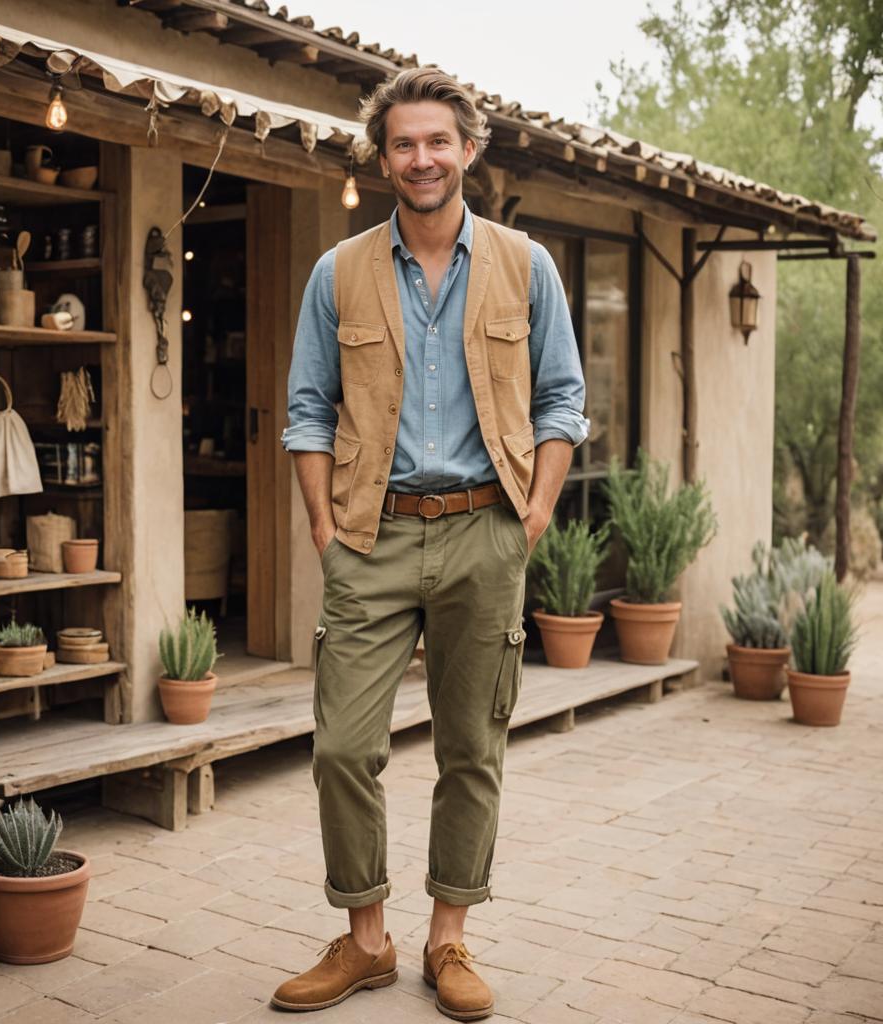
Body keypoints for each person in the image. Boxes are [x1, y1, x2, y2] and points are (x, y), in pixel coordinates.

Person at [274, 66, 588, 1020]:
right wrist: (327, 529)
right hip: (370, 539)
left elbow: (561, 402)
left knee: (471, 748)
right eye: (405, 143)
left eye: (437, 141)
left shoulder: (527, 266)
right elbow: (307, 411)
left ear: (468, 149)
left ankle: (449, 940)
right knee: (342, 748)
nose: (422, 158)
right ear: (384, 156)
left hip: (487, 530)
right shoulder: (339, 272)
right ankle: (365, 940)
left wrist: (531, 516)